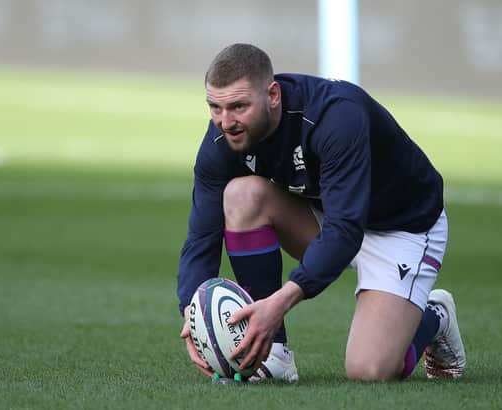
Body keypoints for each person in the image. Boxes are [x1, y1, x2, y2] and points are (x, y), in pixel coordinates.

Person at [178, 43, 466, 382]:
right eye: (216, 107)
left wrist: (281, 300)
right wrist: (194, 316)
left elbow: (345, 231)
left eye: (239, 106)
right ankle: (273, 355)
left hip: (402, 227)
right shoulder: (221, 141)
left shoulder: (336, 116)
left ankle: (433, 316)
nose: (226, 122)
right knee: (242, 196)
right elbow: (201, 237)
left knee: (370, 371)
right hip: (329, 214)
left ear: (272, 94)